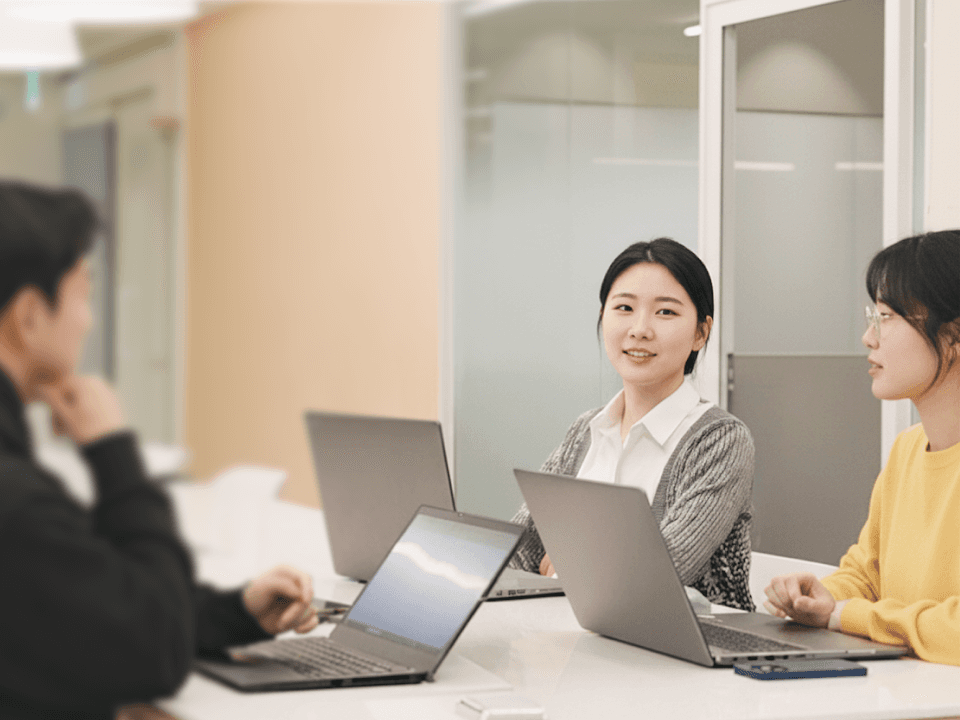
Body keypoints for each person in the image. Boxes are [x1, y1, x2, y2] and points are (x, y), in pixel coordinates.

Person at [0, 180, 319, 719]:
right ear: (30, 315)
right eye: (83, 293)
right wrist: (113, 451)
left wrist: (234, 612)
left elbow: (84, 607)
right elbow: (148, 650)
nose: (88, 320)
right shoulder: (17, 501)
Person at [510, 238, 756, 610]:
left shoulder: (720, 441)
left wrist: (569, 563)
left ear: (700, 333)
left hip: (693, 659)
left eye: (666, 313)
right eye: (624, 307)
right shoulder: (585, 430)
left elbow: (659, 574)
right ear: (602, 316)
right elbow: (518, 551)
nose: (640, 329)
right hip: (584, 645)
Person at [764, 230, 960, 665]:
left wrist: (846, 616)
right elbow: (866, 574)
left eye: (886, 317)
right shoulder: (907, 450)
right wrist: (822, 596)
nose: (868, 339)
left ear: (952, 335)